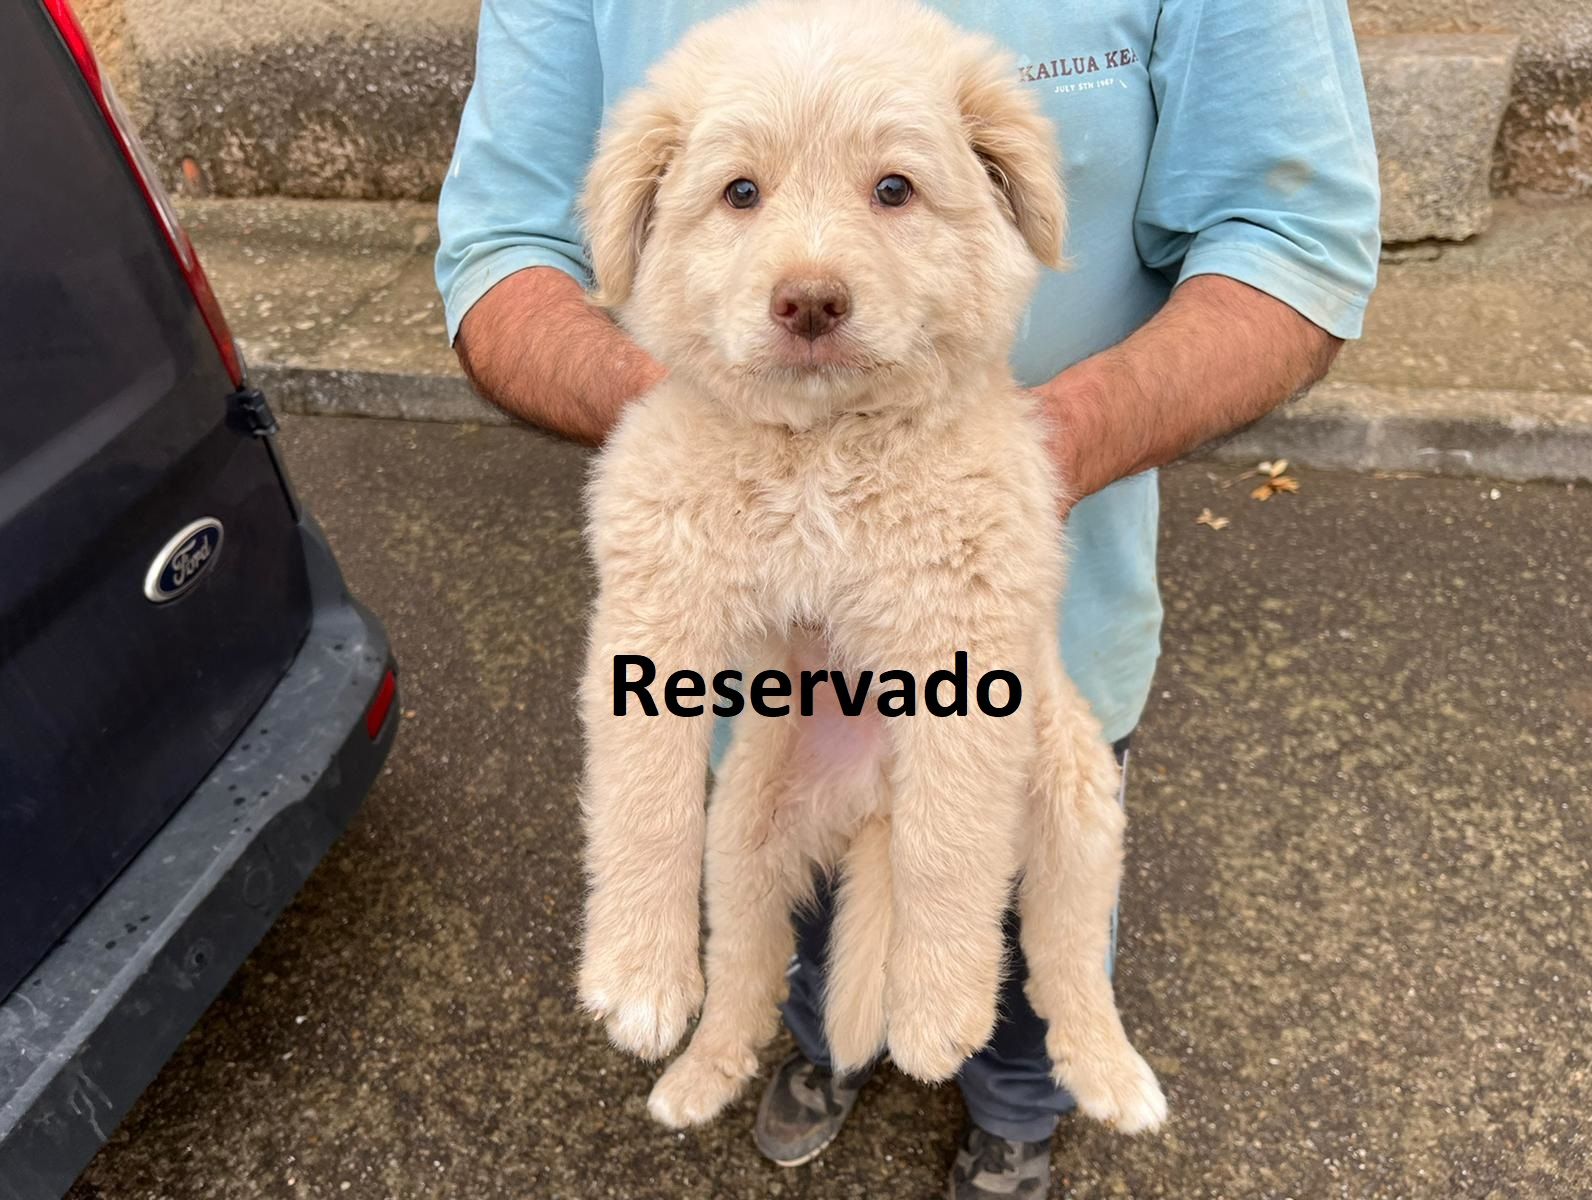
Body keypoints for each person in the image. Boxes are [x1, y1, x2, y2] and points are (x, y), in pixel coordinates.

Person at [435, 1, 1380, 1194]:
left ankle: (1018, 1109)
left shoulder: (981, 115)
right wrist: (715, 437)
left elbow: (1292, 234)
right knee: (783, 876)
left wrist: (1028, 457)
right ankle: (824, 1045)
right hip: (760, 689)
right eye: (741, 192)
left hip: (1033, 640)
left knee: (1012, 863)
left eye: (892, 189)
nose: (811, 280)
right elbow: (503, 246)